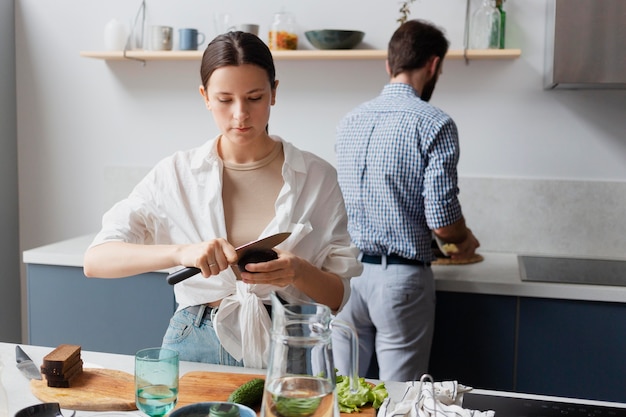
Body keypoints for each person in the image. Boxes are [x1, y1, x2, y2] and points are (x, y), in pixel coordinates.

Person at [83, 31, 362, 368]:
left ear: (274, 92)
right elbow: (96, 260)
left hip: (288, 341)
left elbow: (337, 297)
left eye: (255, 97)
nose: (240, 114)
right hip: (193, 340)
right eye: (225, 99)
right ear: (205, 97)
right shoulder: (176, 174)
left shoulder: (319, 178)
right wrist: (181, 252)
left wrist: (298, 271)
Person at [331, 19, 480, 382]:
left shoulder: (350, 120)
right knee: (401, 400)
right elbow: (442, 221)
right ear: (433, 65)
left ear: (389, 65)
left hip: (345, 278)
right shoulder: (435, 123)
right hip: (401, 280)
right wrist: (464, 240)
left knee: (340, 395)